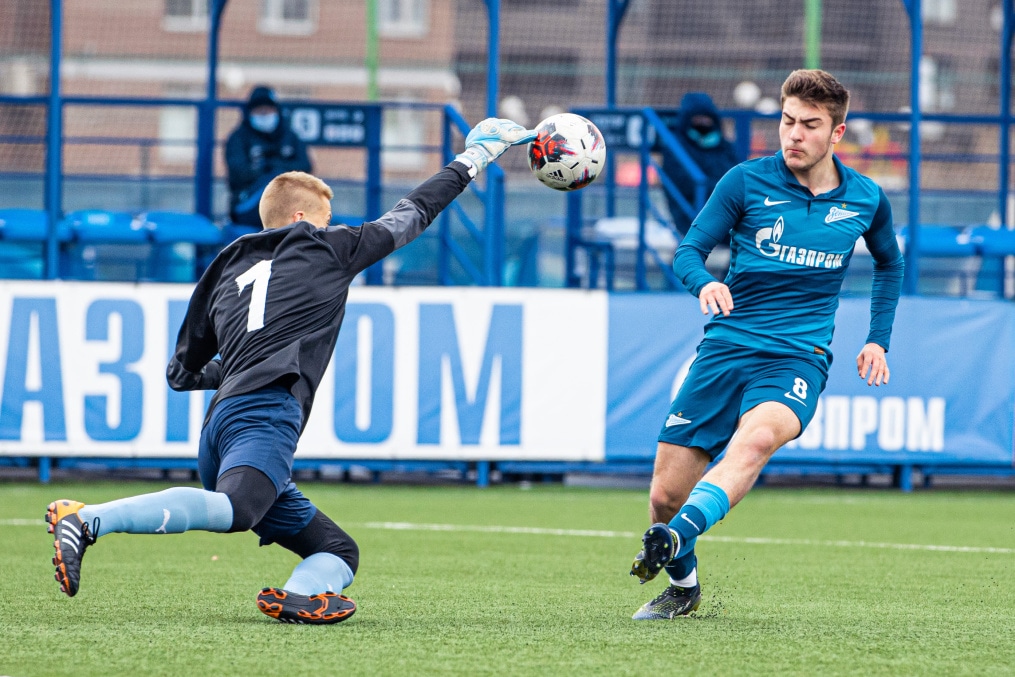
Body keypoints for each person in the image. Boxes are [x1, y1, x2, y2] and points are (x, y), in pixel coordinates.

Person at [45, 118, 537, 624]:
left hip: (219, 431)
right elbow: (411, 214)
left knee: (337, 551)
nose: (330, 227)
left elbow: (181, 373)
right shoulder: (325, 247)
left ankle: (300, 596)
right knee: (236, 512)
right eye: (324, 220)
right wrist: (473, 158)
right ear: (302, 217)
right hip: (265, 414)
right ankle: (86, 520)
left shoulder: (224, 267)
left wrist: (235, 364)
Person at [629, 69, 905, 620]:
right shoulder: (744, 182)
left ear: (837, 132)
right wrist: (705, 281)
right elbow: (689, 251)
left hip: (798, 357)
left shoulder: (867, 199)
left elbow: (890, 265)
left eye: (809, 125)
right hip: (726, 348)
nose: (794, 135)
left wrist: (878, 342)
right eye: (786, 121)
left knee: (753, 443)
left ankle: (677, 538)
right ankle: (684, 586)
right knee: (664, 497)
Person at [226, 85, 312, 228]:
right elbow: (238, 172)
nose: (264, 113)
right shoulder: (239, 138)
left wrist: (276, 166)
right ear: (250, 112)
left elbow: (305, 166)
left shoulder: (290, 136)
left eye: (269, 109)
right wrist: (264, 170)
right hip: (248, 204)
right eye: (259, 109)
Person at [661, 92, 739, 237]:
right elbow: (683, 184)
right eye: (697, 118)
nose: (703, 122)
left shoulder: (724, 147)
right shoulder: (676, 149)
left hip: (727, 212)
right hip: (691, 215)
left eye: (706, 118)